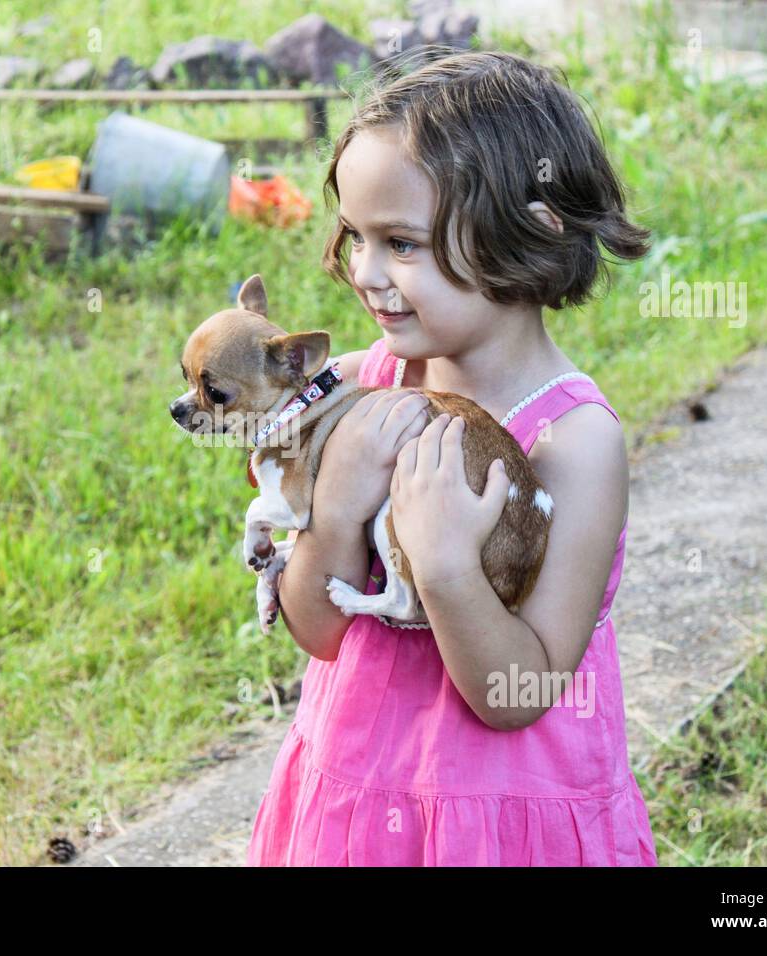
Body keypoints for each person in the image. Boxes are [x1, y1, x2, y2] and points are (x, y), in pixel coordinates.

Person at [247, 47, 659, 866]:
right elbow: (318, 631)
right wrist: (334, 510)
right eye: (355, 236)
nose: (364, 272)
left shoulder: (572, 443)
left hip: (500, 826)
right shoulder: (368, 384)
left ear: (533, 232)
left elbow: (524, 693)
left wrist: (445, 567)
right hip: (356, 803)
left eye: (402, 243)